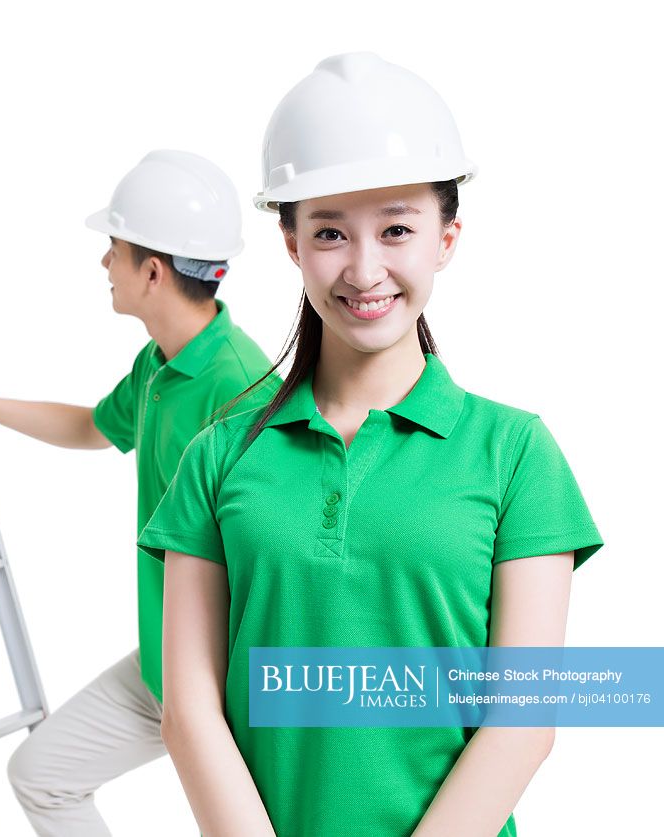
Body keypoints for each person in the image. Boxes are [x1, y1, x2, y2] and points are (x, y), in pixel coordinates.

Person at [140, 52, 603, 836]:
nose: (363, 269)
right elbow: (189, 711)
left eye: (395, 229)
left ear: (445, 238)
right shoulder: (215, 461)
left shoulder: (516, 453)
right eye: (328, 232)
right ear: (290, 244)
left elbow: (522, 722)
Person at [0, 150, 280, 835]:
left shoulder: (242, 388)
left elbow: (272, 550)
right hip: (167, 657)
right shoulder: (159, 364)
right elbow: (93, 425)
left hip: (232, 670)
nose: (102, 264)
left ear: (152, 270)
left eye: (112, 249)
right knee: (43, 774)